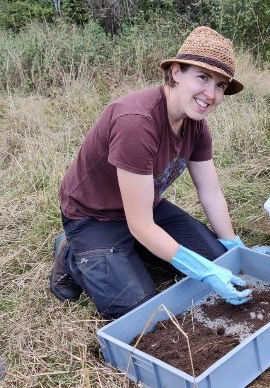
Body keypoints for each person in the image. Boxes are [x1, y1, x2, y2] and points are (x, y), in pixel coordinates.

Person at [50, 26, 252, 320]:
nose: (210, 94)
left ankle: (133, 251)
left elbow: (210, 193)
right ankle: (72, 253)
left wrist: (233, 248)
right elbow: (141, 225)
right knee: (140, 311)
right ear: (176, 72)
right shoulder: (136, 121)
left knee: (219, 261)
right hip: (94, 216)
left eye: (220, 85)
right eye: (203, 77)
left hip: (144, 207)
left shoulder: (196, 125)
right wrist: (202, 271)